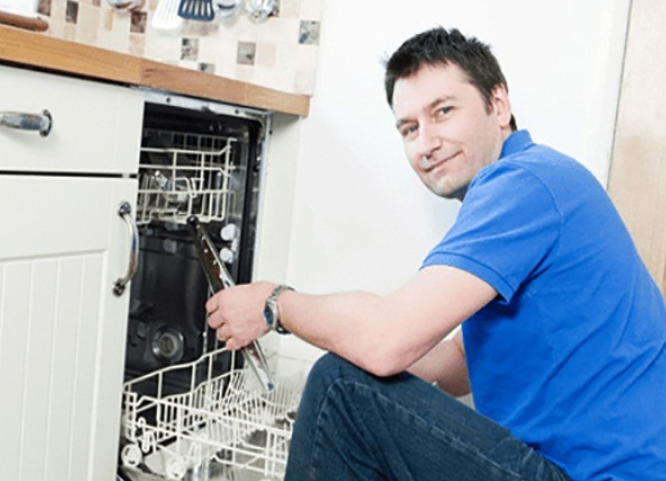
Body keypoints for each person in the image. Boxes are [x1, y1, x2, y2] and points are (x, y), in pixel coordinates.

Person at [206, 27, 666, 480]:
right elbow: (459, 362)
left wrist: (274, 305)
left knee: (340, 387)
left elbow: (386, 342)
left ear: (498, 104)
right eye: (410, 128)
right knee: (355, 373)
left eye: (443, 112)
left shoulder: (524, 185)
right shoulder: (536, 184)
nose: (426, 143)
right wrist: (355, 342)